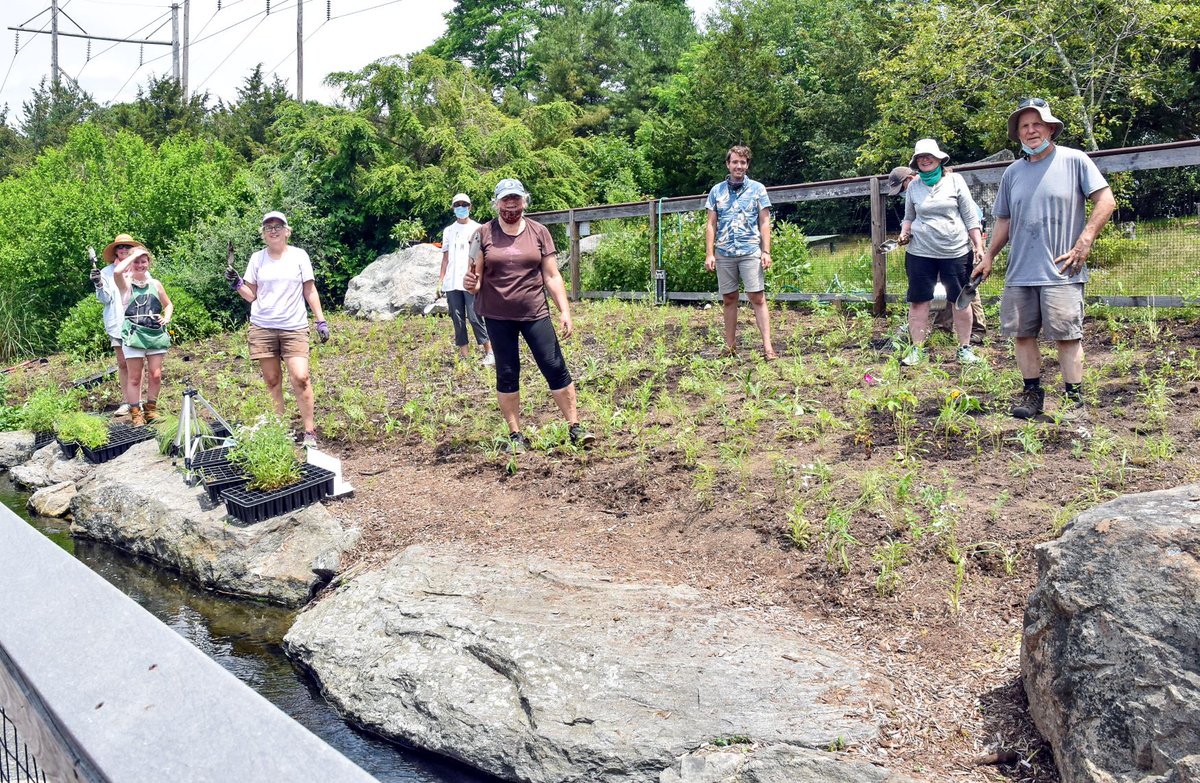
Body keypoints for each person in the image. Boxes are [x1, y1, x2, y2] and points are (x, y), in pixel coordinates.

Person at [975, 98, 1115, 420]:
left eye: (1037, 124)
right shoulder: (1012, 173)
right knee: (1023, 336)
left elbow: (1105, 201)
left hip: (1062, 269)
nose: (1031, 130)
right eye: (1024, 125)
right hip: (1020, 271)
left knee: (1067, 336)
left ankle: (1074, 402)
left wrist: (1085, 240)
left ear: (1051, 128)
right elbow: (1004, 221)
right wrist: (988, 256)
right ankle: (1032, 395)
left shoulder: (1074, 161)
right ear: (1018, 134)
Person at [462, 179, 594, 453]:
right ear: (496, 203)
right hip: (497, 316)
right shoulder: (483, 234)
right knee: (507, 372)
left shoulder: (539, 232)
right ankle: (516, 435)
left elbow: (552, 275)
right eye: (505, 200)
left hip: (534, 312)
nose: (511, 205)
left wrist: (565, 311)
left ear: (524, 201)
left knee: (554, 366)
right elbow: (475, 279)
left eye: (516, 199)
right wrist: (470, 284)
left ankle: (575, 427)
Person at [225, 211, 330, 447]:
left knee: (301, 377)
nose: (273, 230)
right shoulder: (257, 259)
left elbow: (310, 290)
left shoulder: (299, 256)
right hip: (263, 327)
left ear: (287, 231)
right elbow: (251, 296)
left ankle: (309, 432)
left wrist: (320, 320)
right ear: (263, 233)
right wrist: (237, 283)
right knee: (272, 381)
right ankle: (280, 430)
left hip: (293, 326)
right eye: (268, 227)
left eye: (278, 226)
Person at [896, 139, 986, 366]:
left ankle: (965, 349)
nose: (925, 160)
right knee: (918, 301)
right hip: (920, 252)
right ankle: (917, 350)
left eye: (929, 156)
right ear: (916, 162)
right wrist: (904, 233)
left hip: (955, 251)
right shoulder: (914, 186)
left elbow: (970, 217)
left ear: (939, 159)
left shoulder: (955, 181)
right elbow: (909, 217)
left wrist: (979, 246)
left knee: (960, 300)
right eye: (920, 157)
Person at [705, 145, 775, 359]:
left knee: (757, 296)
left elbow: (764, 221)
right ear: (728, 164)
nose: (739, 166)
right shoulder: (716, 191)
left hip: (750, 250)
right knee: (729, 298)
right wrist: (710, 253)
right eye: (735, 162)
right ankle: (730, 346)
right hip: (724, 252)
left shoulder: (757, 189)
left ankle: (768, 347)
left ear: (747, 165)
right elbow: (710, 224)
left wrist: (766, 251)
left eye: (743, 162)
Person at [112, 246, 173, 426]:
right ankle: (135, 413)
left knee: (155, 374)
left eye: (143, 261)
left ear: (149, 263)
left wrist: (166, 318)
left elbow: (168, 304)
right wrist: (132, 257)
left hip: (155, 334)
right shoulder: (125, 284)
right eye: (136, 261)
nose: (140, 265)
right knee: (135, 377)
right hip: (134, 336)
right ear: (130, 264)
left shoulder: (156, 284)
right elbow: (117, 270)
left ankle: (151, 410)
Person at [93, 233, 145, 416]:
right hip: (117, 322)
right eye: (120, 247)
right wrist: (98, 284)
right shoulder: (106, 272)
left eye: (127, 247)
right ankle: (127, 401)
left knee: (137, 363)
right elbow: (105, 299)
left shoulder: (139, 267)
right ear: (115, 251)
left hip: (139, 321)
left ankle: (139, 401)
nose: (123, 250)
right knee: (123, 363)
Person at [439, 193, 494, 365]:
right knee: (457, 317)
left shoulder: (479, 228)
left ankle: (489, 351)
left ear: (470, 207)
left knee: (475, 316)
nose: (461, 207)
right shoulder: (448, 231)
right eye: (457, 205)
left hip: (471, 280)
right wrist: (441, 280)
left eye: (464, 204)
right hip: (452, 281)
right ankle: (464, 354)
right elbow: (446, 258)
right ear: (453, 208)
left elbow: (484, 257)